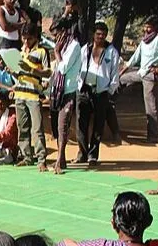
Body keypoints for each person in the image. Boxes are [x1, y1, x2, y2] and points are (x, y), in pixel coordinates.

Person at [119, 16, 158, 143]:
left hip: (150, 75)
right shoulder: (144, 41)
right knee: (121, 80)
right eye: (145, 26)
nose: (146, 29)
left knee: (151, 105)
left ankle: (153, 135)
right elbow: (134, 58)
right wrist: (121, 73)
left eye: (149, 26)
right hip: (140, 72)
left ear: (154, 28)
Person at [76, 22, 122, 164]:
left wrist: (110, 90)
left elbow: (115, 73)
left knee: (98, 124)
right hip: (84, 89)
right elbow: (78, 67)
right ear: (93, 35)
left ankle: (93, 155)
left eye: (103, 34)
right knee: (80, 123)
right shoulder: (85, 49)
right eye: (98, 34)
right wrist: (78, 85)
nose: (100, 37)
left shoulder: (112, 52)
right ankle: (82, 153)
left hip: (101, 91)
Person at [13, 26, 51, 171]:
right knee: (22, 127)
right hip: (19, 93)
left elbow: (47, 73)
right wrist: (13, 71)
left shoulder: (42, 52)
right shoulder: (20, 52)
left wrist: (31, 70)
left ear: (35, 37)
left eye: (29, 38)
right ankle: (26, 156)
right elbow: (19, 74)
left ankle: (41, 159)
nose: (26, 41)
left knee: (37, 128)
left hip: (34, 95)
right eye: (24, 38)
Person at [49, 23, 84, 174]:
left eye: (57, 34)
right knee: (57, 126)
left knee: (63, 125)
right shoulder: (63, 46)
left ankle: (58, 160)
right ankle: (61, 159)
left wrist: (56, 52)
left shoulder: (74, 46)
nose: (56, 38)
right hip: (57, 92)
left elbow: (63, 68)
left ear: (64, 32)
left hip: (68, 91)